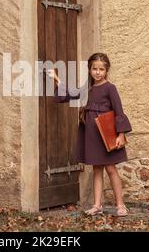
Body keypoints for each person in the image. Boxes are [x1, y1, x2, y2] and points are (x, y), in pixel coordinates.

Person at [47, 52, 132, 216]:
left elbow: (119, 112)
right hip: (91, 134)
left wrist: (120, 135)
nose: (97, 72)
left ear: (106, 70)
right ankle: (97, 205)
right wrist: (56, 79)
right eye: (94, 69)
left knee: (111, 168)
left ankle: (120, 205)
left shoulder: (110, 88)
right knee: (97, 168)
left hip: (106, 134)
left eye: (101, 69)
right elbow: (72, 94)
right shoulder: (88, 88)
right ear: (90, 69)